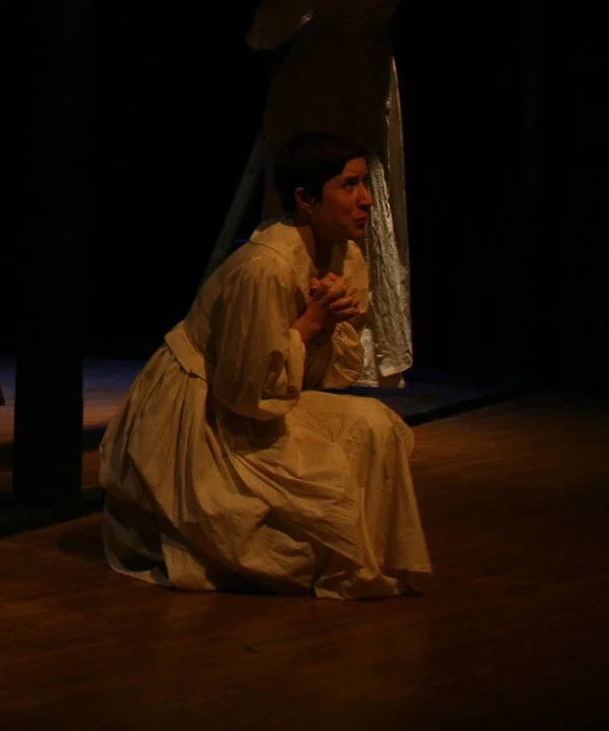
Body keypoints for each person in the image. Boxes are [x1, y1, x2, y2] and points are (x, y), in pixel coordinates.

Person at [98, 132, 432, 599]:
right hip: (203, 410)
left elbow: (313, 380)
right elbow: (246, 394)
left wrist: (327, 327)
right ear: (306, 199)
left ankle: (368, 557)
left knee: (375, 424)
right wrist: (312, 324)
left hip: (258, 400)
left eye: (364, 184)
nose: (367, 200)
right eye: (349, 185)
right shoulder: (265, 268)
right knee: (285, 541)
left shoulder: (343, 254)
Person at [247, 0, 413, 384]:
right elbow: (274, 12)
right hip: (321, 79)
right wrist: (295, 40)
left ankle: (356, 353)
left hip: (370, 77)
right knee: (322, 193)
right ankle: (296, 341)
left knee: (366, 194)